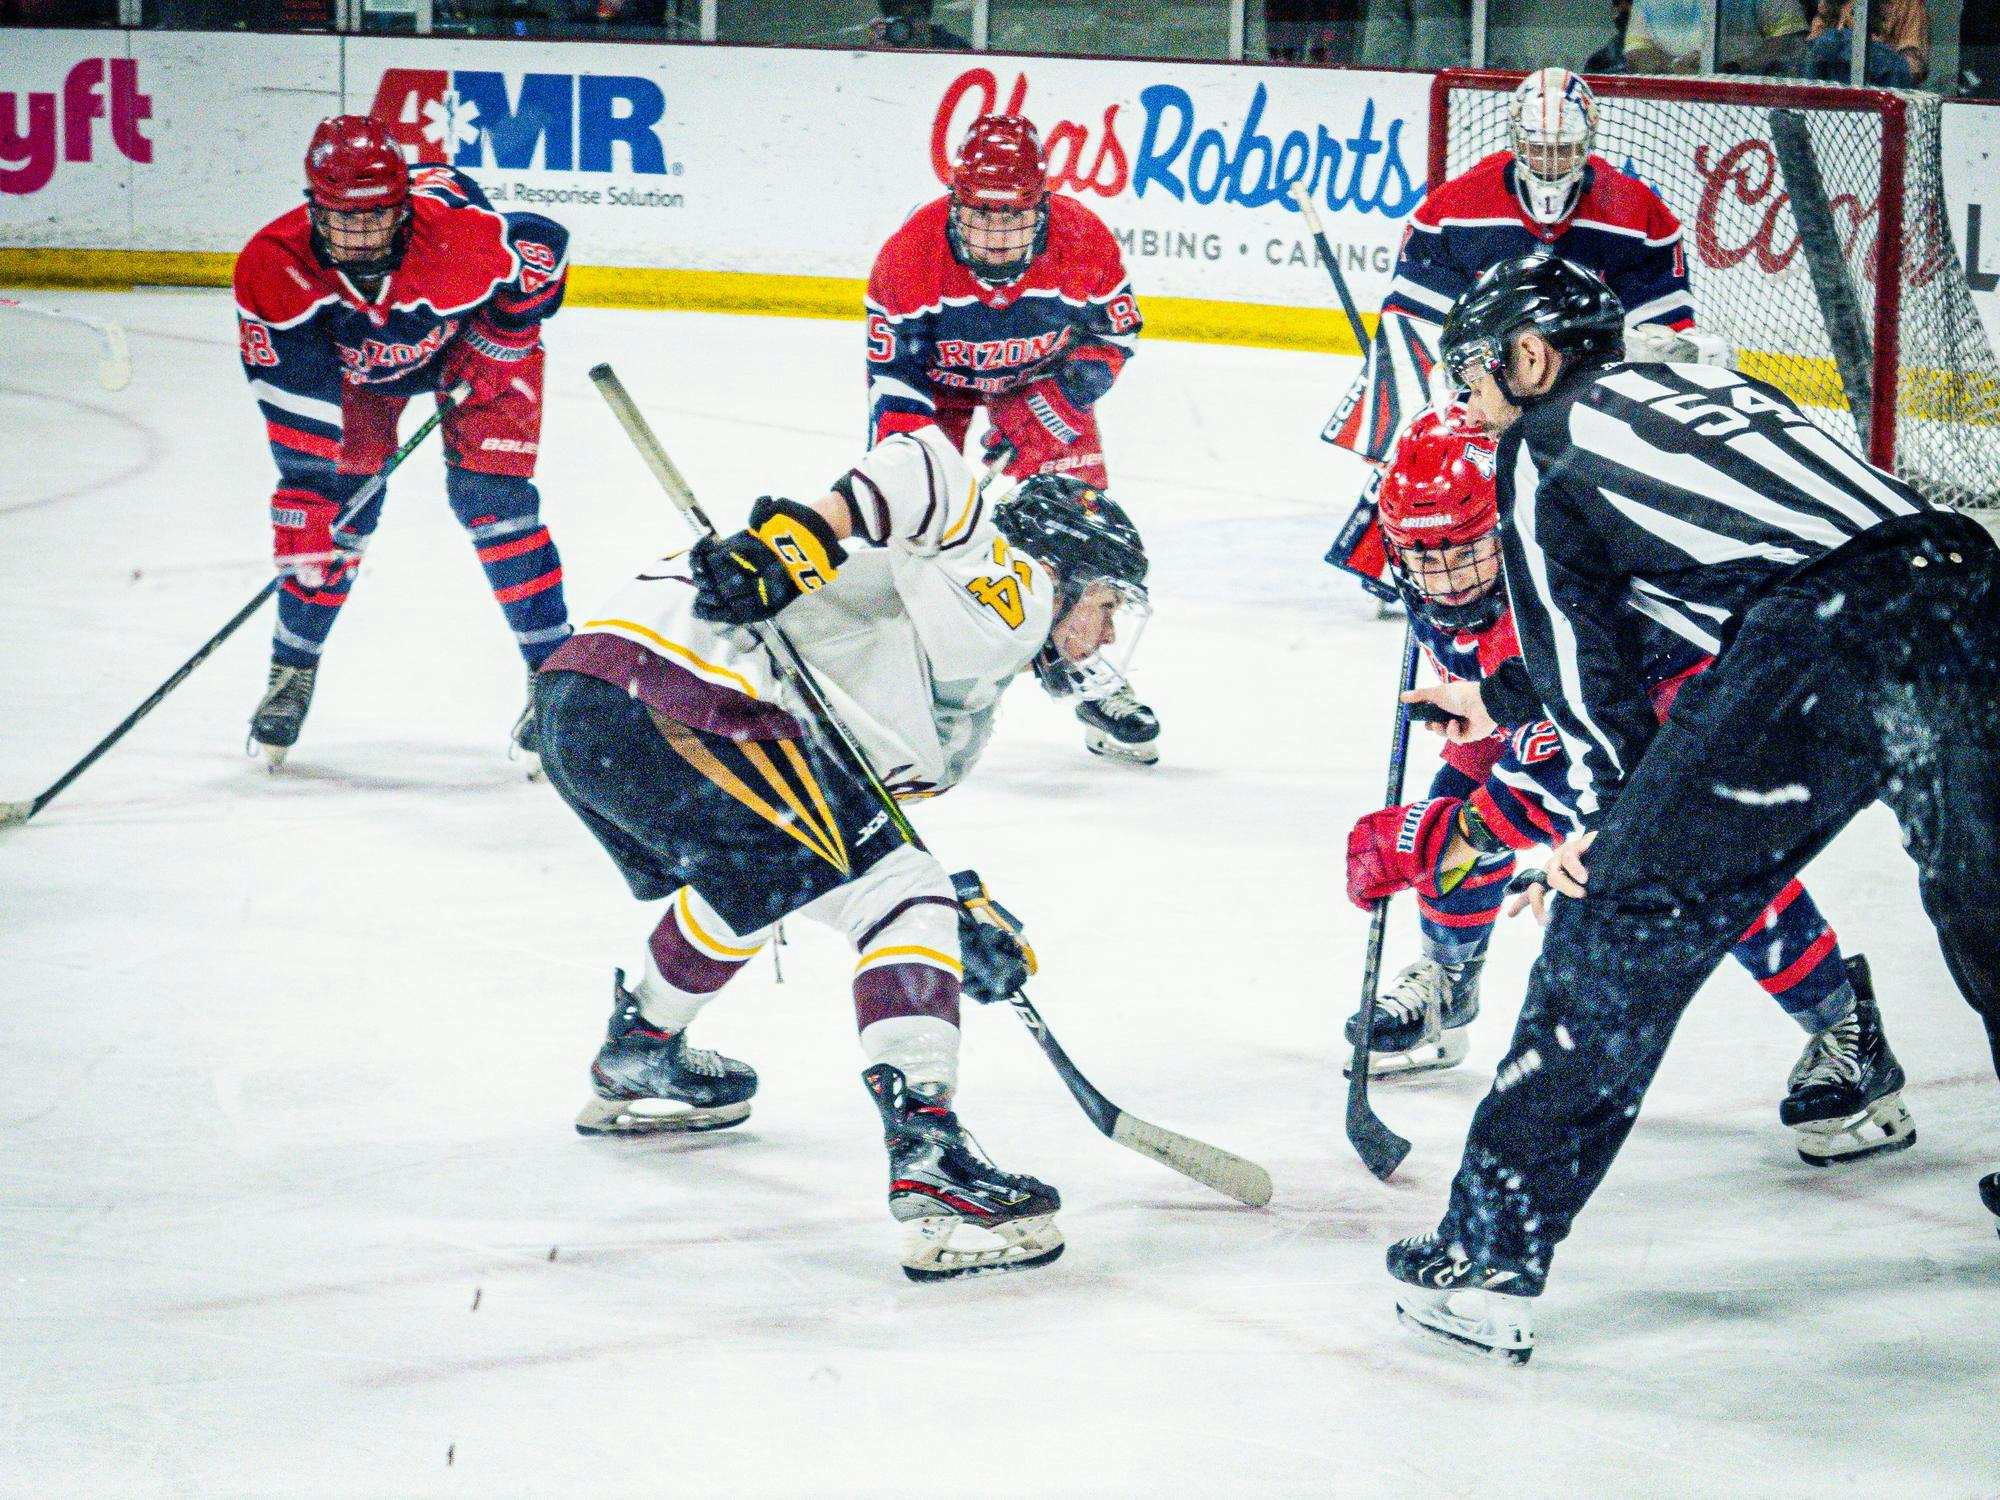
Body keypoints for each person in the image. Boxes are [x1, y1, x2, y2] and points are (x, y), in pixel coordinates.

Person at [1383, 251, 2000, 1363]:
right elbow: (1725, 581)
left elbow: (1591, 669)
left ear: (1530, 357)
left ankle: (1487, 1254)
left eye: (1473, 375)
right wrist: (1496, 697)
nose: (1468, 403)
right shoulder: (1716, 385)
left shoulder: (1538, 444)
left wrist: (1605, 831)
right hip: (1965, 588)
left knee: (1616, 922)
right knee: (1989, 904)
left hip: (1826, 639)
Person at [532, 427, 1152, 1280]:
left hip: (589, 701)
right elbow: (926, 462)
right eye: (1110, 602)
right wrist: (794, 540)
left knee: (785, 876)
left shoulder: (953, 649)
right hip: (683, 700)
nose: (1110, 632)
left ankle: (642, 1046)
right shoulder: (1017, 592)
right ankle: (932, 1161)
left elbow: (845, 821)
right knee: (904, 892)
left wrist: (947, 934)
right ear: (1064, 570)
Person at [1343, 405, 1913, 1166]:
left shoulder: (1550, 573)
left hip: (1706, 709)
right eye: (1424, 556)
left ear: (1509, 532)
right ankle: (1449, 988)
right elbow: (1503, 739)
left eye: (1464, 551)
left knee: (1714, 867)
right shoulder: (1455, 579)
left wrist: (1442, 837)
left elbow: (1566, 768)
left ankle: (1849, 1033)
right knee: (1450, 809)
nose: (1444, 581)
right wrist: (1446, 820)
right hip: (1591, 714)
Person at [234, 115, 573, 768]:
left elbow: (544, 249)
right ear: (313, 207)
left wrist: (499, 337)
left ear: (404, 209)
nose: (359, 235)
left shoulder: (461, 237)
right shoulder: (274, 264)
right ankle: (291, 668)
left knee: (492, 498)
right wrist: (307, 496)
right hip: (356, 372)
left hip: (470, 351)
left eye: (376, 217)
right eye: (341, 218)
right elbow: (295, 401)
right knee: (341, 507)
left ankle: (555, 678)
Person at [1324, 70, 1701, 603]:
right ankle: (1410, 552)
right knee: (1438, 444)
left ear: (1588, 142)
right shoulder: (1455, 206)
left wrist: (1653, 353)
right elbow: (1411, 315)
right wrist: (1435, 393)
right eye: (1536, 147)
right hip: (1483, 371)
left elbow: (1664, 323)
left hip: (1578, 376)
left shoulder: (1638, 212)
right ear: (1512, 139)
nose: (1549, 163)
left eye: (1564, 148)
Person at [867, 113, 1160, 766]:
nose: (997, 239)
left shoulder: (1083, 239)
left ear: (1043, 207)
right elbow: (896, 390)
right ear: (955, 205)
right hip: (938, 387)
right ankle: (907, 684)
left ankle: (1087, 674)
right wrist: (919, 486)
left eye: (1013, 218)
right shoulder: (908, 258)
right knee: (918, 532)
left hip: (1045, 381)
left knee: (1086, 532)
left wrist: (1043, 409)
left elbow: (1114, 337)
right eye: (980, 217)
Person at [1806, 0, 1929, 85]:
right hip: (1831, 97)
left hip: (1880, 99)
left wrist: (1875, 53)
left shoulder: (1908, 4)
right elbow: (1813, 48)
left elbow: (1912, 70)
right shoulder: (1830, 3)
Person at [866, 0, 968, 47]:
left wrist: (931, 46)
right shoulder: (884, 39)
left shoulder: (952, 45)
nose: (907, 23)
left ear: (926, 18)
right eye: (899, 15)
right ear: (888, 20)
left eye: (915, 14)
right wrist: (875, 52)